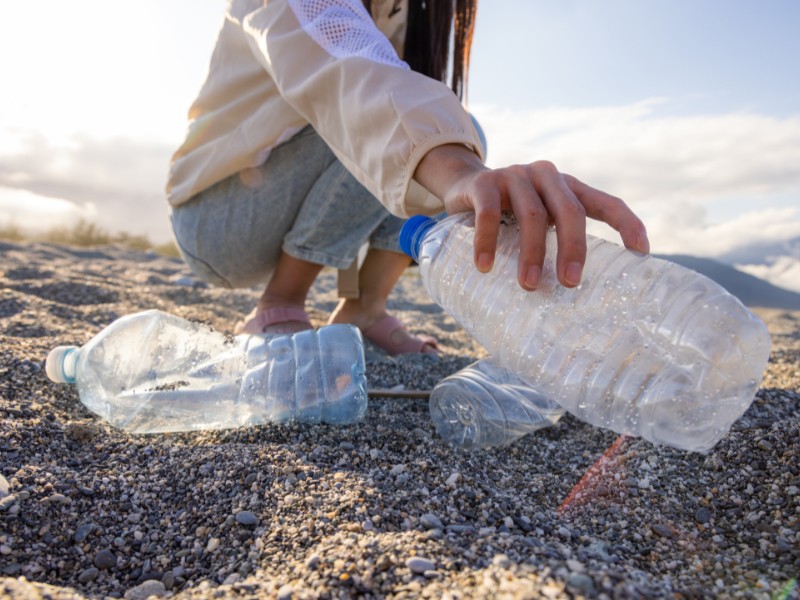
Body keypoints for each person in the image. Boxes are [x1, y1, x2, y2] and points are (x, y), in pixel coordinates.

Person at [166, 0, 649, 355]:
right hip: (219, 218)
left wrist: (458, 165)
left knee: (428, 133)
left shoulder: (401, 14)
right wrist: (459, 170)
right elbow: (348, 79)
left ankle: (362, 305)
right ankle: (281, 301)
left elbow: (364, 177)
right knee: (424, 130)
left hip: (279, 204)